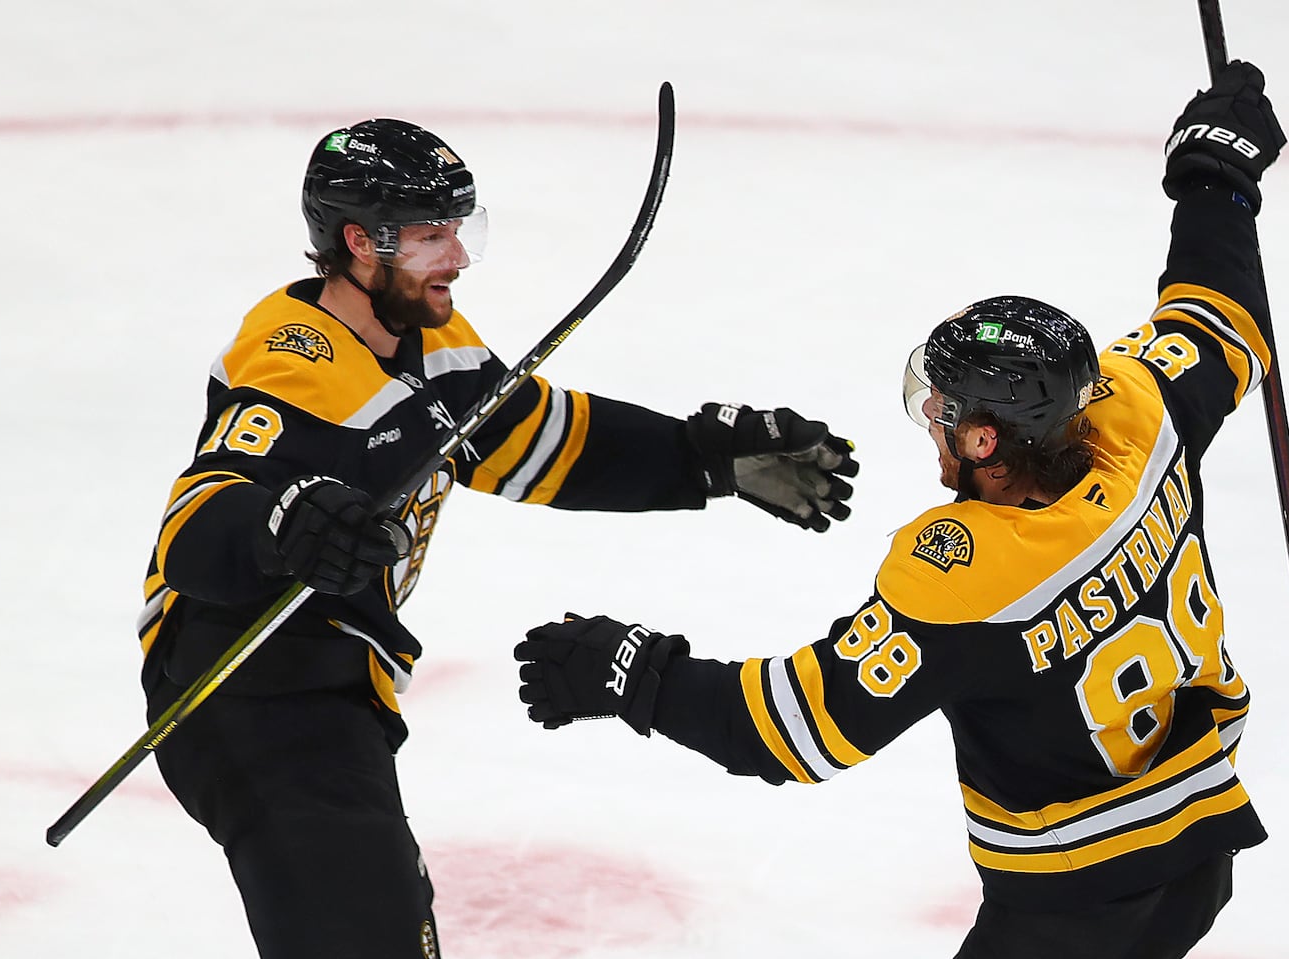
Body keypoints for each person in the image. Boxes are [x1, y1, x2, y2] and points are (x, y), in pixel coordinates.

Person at [514, 61, 1286, 958]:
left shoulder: (970, 574)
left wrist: (631, 670)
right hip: (1200, 851)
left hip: (1074, 907)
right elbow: (1216, 312)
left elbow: (789, 729)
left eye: (947, 412)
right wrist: (1216, 178)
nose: (934, 422)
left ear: (988, 442)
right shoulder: (1142, 419)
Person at [138, 117, 858, 959]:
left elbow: (532, 437)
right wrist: (282, 520)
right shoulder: (295, 360)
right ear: (359, 242)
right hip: (244, 688)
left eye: (459, 229)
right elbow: (197, 517)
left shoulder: (429, 337)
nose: (458, 256)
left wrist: (700, 460)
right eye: (431, 235)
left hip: (333, 689)